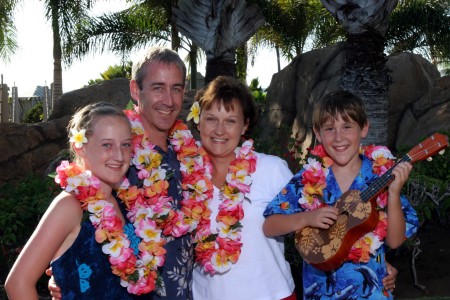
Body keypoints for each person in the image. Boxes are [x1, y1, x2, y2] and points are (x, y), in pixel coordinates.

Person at [48, 47, 206, 299]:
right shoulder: (115, 153)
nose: (168, 100)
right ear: (135, 90)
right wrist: (67, 271)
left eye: (176, 88)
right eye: (157, 87)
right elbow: (79, 211)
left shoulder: (190, 152)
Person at [262, 90, 418, 299]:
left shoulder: (380, 175)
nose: (338, 137)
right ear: (317, 133)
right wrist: (307, 218)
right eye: (329, 128)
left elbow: (395, 241)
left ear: (364, 128)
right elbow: (269, 225)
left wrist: (394, 193)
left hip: (371, 291)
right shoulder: (309, 178)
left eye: (347, 126)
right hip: (320, 292)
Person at [5, 102, 134, 299]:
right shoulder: (70, 206)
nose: (119, 155)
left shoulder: (125, 201)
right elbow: (17, 284)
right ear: (80, 147)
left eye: (125, 144)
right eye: (107, 144)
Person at [188, 75, 296, 299]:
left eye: (230, 120)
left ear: (245, 125)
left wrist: (377, 261)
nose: (219, 130)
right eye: (211, 118)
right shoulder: (183, 173)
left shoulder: (272, 170)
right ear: (198, 121)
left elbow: (320, 225)